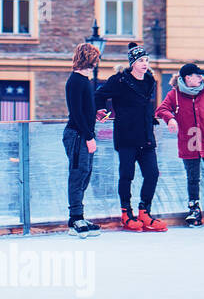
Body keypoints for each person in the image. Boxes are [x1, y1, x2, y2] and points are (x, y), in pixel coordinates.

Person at [94, 42, 166, 231]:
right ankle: (126, 213)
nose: (145, 63)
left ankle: (145, 211)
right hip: (126, 136)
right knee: (127, 175)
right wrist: (101, 110)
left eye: (147, 60)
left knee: (152, 174)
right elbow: (99, 95)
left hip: (146, 136)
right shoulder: (119, 81)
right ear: (132, 62)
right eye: (141, 60)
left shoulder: (150, 80)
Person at [155, 62, 204, 227]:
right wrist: (171, 119)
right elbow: (161, 109)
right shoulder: (175, 95)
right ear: (187, 78)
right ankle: (194, 209)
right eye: (197, 75)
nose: (201, 77)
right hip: (190, 140)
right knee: (193, 178)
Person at [63, 43, 102, 239]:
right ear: (89, 58)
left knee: (85, 174)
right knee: (78, 175)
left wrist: (96, 114)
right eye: (96, 58)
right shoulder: (76, 81)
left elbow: (84, 109)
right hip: (78, 135)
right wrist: (88, 137)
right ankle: (75, 218)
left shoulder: (84, 81)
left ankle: (79, 215)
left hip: (83, 133)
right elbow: (76, 113)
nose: (97, 62)